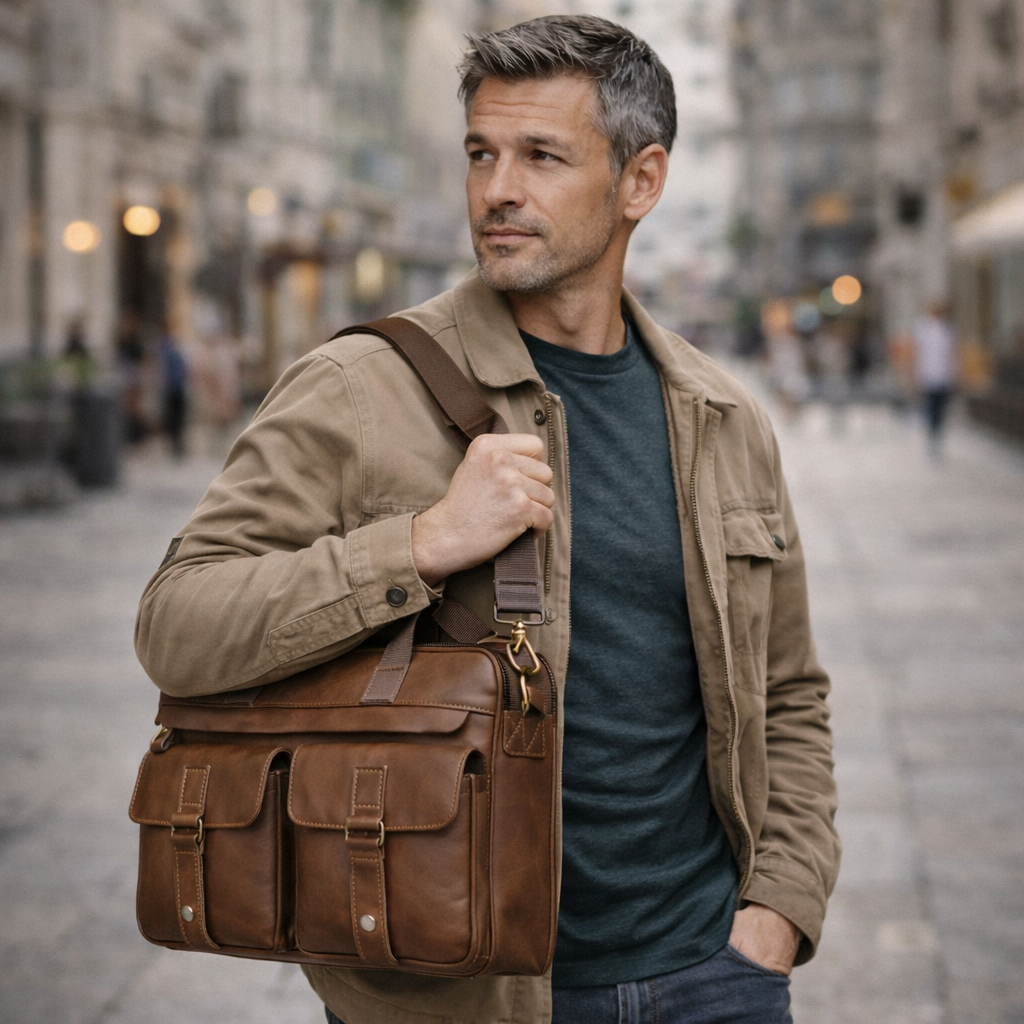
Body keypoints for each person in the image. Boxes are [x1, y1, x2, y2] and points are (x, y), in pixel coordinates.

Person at [136, 16, 839, 1024]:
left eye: (541, 156)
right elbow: (175, 624)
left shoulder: (721, 416)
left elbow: (788, 692)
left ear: (640, 181)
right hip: (454, 990)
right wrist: (416, 546)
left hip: (714, 973)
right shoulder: (355, 387)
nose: (496, 189)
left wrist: (776, 907)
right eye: (480, 153)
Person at [912, 300, 957, 458]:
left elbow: (951, 353)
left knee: (941, 409)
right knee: (930, 408)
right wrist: (914, 374)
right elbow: (916, 352)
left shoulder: (947, 329)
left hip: (943, 376)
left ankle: (937, 437)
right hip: (928, 375)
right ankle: (932, 439)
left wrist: (955, 373)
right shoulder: (923, 328)